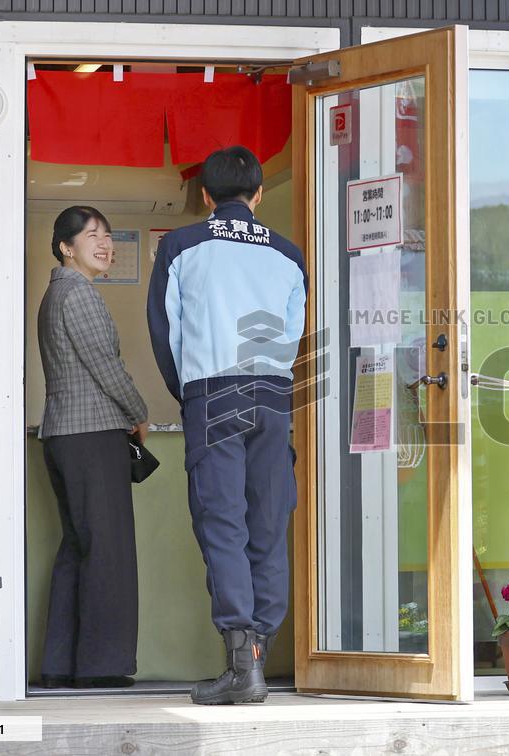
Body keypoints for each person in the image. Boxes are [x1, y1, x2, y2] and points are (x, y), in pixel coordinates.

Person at [147, 146, 307, 705]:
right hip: (274, 397)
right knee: (268, 522)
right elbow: (295, 334)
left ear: (206, 195)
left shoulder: (181, 246)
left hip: (213, 394)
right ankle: (256, 656)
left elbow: (165, 332)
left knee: (223, 525)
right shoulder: (289, 255)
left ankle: (243, 667)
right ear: (258, 195)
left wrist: (190, 394)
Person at [37, 206, 149, 690]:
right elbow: (105, 365)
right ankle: (100, 667)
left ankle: (60, 664)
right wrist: (139, 411)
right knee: (106, 551)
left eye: (107, 234)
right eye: (92, 236)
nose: (105, 244)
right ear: (66, 247)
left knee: (78, 549)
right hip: (92, 435)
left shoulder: (56, 293)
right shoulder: (78, 292)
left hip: (65, 435)